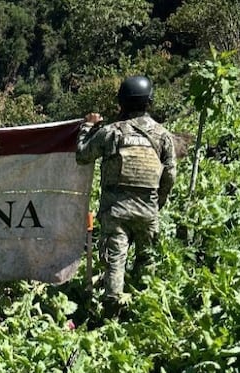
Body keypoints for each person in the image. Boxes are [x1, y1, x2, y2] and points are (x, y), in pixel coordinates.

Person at [75, 75, 176, 317]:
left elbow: (82, 155)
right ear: (149, 102)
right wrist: (157, 202)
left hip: (116, 210)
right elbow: (170, 174)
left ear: (121, 103)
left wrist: (87, 127)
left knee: (114, 264)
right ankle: (144, 312)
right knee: (146, 260)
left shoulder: (111, 132)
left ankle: (112, 316)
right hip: (147, 211)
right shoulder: (163, 136)